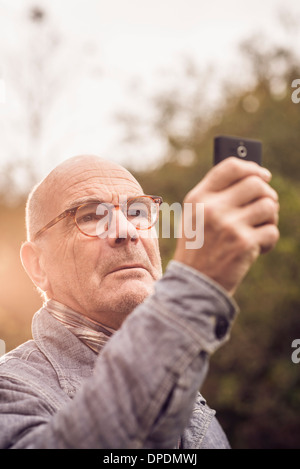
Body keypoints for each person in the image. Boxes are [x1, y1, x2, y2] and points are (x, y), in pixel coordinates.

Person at [0, 154, 279, 449]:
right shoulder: (13, 389)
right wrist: (194, 290)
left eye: (137, 211)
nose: (126, 231)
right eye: (90, 215)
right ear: (37, 266)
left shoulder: (189, 393)